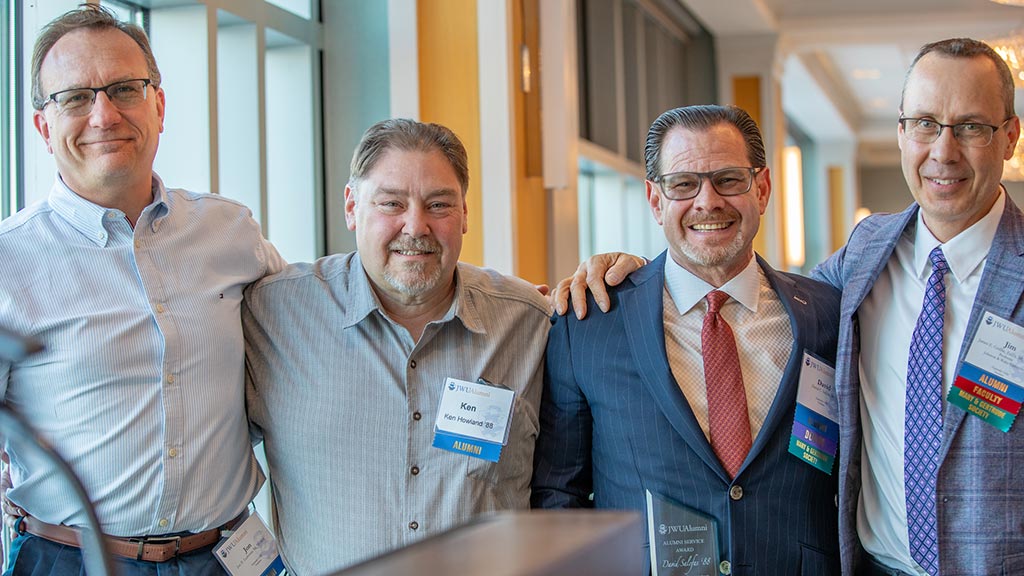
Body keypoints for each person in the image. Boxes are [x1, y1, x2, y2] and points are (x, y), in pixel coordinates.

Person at [558, 37, 1024, 576]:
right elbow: (736, 277)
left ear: (1009, 136)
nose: (943, 151)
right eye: (924, 123)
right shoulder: (864, 258)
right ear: (901, 133)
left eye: (970, 126)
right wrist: (620, 268)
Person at [0, 6, 283, 574]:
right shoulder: (8, 259)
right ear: (42, 127)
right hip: (70, 560)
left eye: (125, 89)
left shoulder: (231, 232)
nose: (104, 114)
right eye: (75, 97)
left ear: (158, 104)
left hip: (230, 556)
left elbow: (312, 335)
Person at [531, 104, 842, 575]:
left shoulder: (827, 315)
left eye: (729, 179)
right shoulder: (588, 323)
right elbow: (558, 495)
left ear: (763, 188)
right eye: (683, 184)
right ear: (656, 201)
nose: (708, 201)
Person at [242, 118, 550, 575]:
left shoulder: (530, 322)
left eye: (438, 204)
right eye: (391, 203)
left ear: (465, 213)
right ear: (351, 206)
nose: (415, 226)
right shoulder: (271, 314)